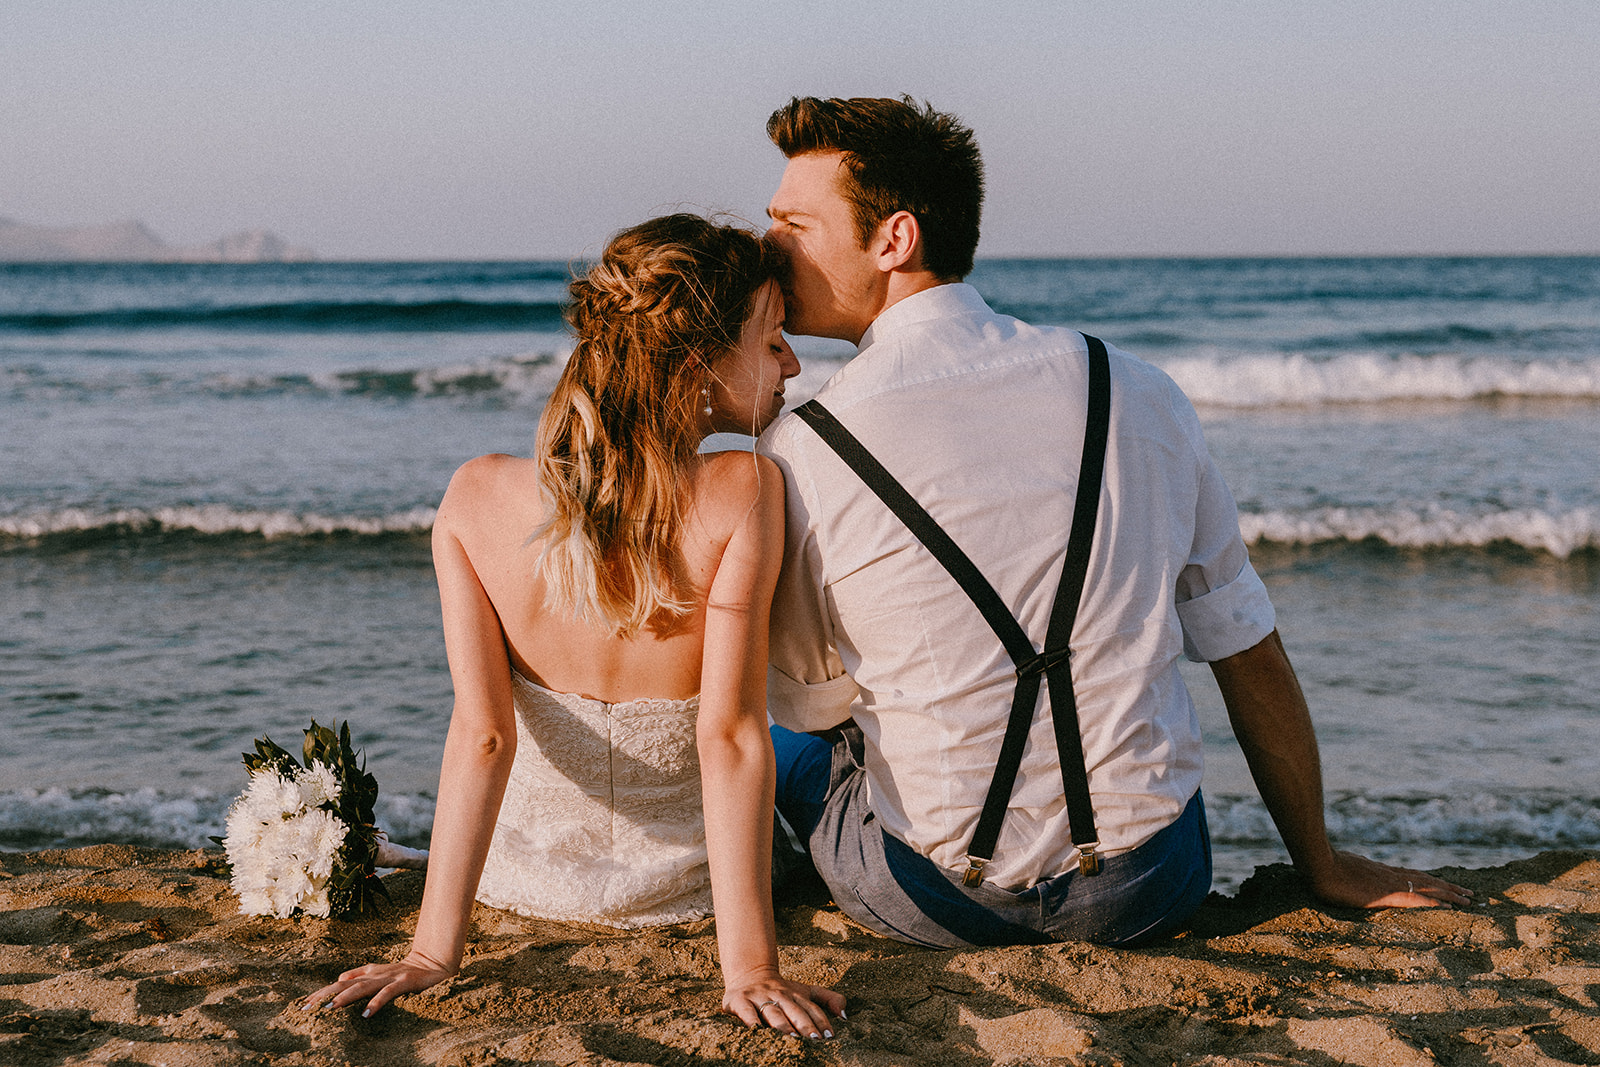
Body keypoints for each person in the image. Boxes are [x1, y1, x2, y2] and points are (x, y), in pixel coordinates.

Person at [756, 95, 1473, 949]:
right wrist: (1320, 862)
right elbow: (1246, 645)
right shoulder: (1134, 388)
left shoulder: (801, 445)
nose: (766, 247)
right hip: (1147, 886)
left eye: (792, 224)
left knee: (778, 730)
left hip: (931, 898)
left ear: (894, 239)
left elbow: (813, 702)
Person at [305, 214, 843, 1038]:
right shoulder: (746, 488)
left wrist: (432, 954)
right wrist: (751, 967)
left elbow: (483, 737)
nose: (793, 364)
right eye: (773, 341)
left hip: (525, 882)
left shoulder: (475, 496)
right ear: (700, 361)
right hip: (686, 889)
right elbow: (729, 737)